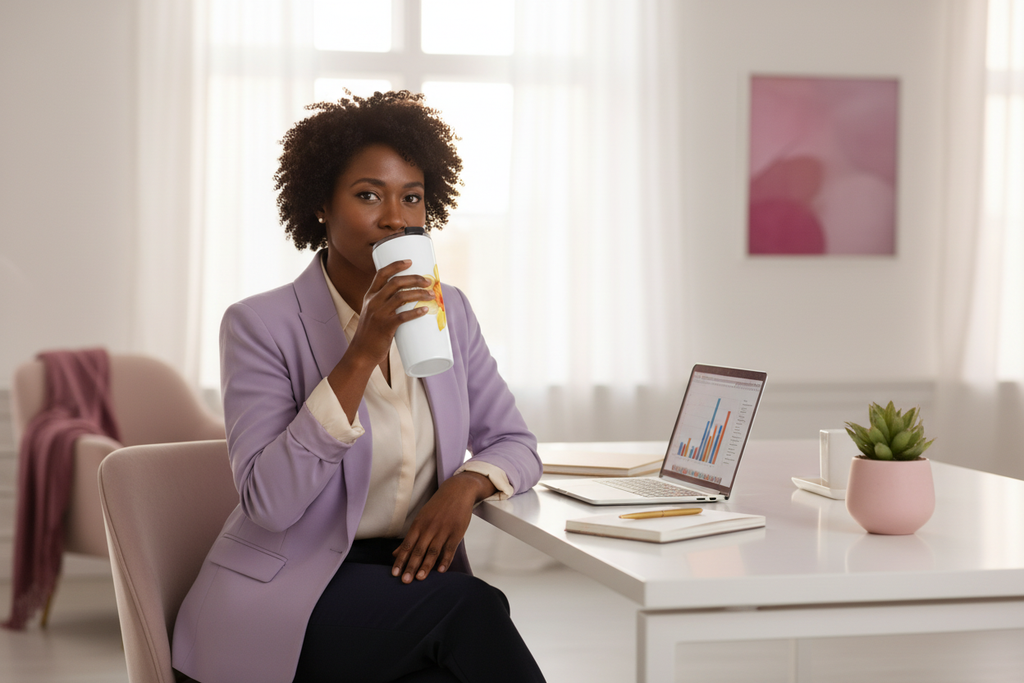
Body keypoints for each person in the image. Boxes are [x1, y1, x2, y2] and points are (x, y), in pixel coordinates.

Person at [171, 91, 546, 683]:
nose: (396, 217)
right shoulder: (259, 325)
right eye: (369, 194)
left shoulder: (451, 312)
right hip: (291, 595)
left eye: (412, 197)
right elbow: (269, 502)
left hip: (406, 580)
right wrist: (365, 347)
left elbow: (515, 443)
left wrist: (466, 486)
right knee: (474, 609)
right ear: (321, 202)